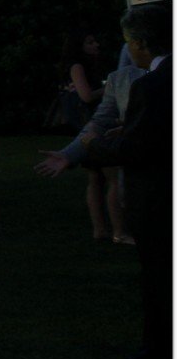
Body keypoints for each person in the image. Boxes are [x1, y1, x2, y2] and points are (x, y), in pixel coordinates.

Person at [85, 5, 171, 359]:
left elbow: (139, 149)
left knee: (159, 274)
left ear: (140, 43)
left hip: (158, 197)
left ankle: (160, 346)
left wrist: (96, 147)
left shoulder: (151, 85)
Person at [57, 32, 128, 242]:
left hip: (88, 125)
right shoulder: (78, 66)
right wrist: (110, 88)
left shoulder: (86, 66)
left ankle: (101, 230)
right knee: (112, 177)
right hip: (92, 125)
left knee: (96, 178)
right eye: (90, 42)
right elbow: (86, 95)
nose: (96, 45)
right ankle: (119, 231)